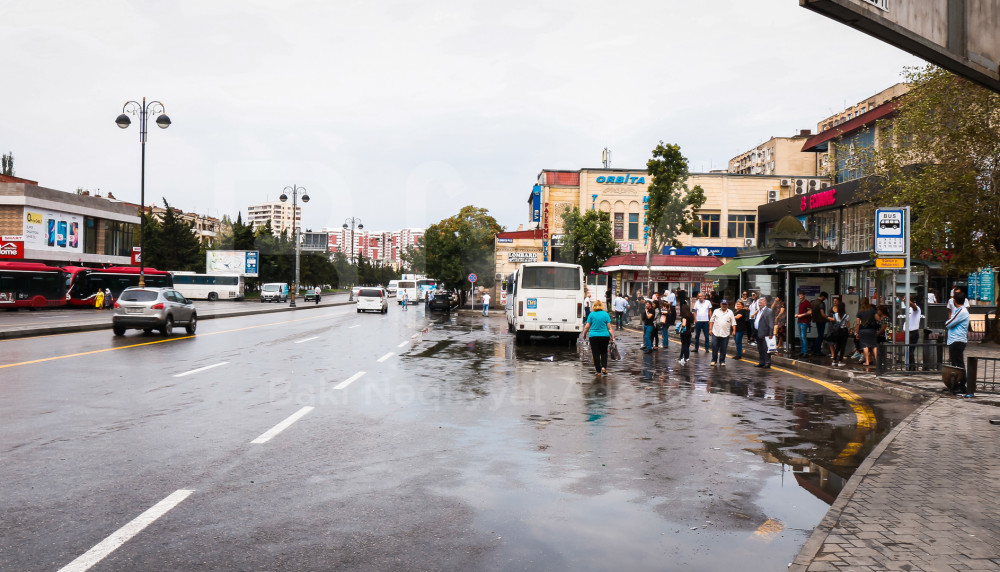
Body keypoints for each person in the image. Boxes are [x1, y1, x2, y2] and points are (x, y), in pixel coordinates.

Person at [944, 291, 970, 394]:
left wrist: (947, 322)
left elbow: (949, 323)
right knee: (955, 365)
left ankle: (962, 386)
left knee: (959, 364)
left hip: (957, 340)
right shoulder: (959, 310)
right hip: (955, 340)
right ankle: (954, 385)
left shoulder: (961, 311)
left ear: (954, 300)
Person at [583, 300, 614, 376]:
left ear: (594, 306)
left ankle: (598, 371)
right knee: (604, 352)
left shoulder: (591, 314)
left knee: (596, 354)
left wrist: (584, 334)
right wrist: (613, 336)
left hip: (593, 336)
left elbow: (587, 326)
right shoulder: (606, 314)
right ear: (601, 306)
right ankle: (604, 367)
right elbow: (609, 328)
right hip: (605, 336)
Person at [709, 299, 736, 366]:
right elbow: (711, 321)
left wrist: (734, 330)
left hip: (725, 333)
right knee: (714, 346)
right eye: (723, 304)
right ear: (720, 304)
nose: (724, 305)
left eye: (725, 304)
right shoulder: (716, 311)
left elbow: (733, 322)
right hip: (716, 332)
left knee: (723, 348)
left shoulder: (730, 312)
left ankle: (722, 361)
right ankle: (714, 360)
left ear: (727, 305)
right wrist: (710, 329)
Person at [855, 297, 879, 366]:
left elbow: (858, 323)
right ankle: (877, 362)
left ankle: (867, 362)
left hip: (863, 330)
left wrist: (857, 332)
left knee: (865, 346)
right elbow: (877, 318)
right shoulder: (872, 310)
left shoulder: (860, 311)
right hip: (872, 330)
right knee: (874, 346)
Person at [827, 300, 851, 366]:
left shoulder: (835, 315)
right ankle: (840, 361)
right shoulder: (846, 316)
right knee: (843, 346)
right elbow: (848, 325)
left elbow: (835, 322)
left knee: (837, 346)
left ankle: (834, 360)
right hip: (844, 331)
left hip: (837, 331)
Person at [754, 296, 774, 368]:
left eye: (761, 302)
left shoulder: (769, 311)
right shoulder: (759, 310)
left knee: (766, 349)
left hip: (765, 333)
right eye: (759, 302)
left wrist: (770, 333)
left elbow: (771, 323)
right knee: (760, 348)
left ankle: (767, 363)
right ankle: (761, 362)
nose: (759, 304)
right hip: (758, 332)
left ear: (765, 303)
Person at [811, 292, 829, 356]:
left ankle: (815, 350)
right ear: (823, 297)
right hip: (821, 321)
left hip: (816, 320)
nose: (825, 299)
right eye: (825, 298)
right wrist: (828, 317)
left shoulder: (813, 302)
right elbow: (822, 314)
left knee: (819, 335)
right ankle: (817, 351)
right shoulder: (821, 303)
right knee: (820, 336)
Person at [793, 291, 811, 357]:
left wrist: (801, 315)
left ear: (804, 295)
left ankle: (805, 352)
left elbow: (810, 312)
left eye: (801, 295)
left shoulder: (807, 302)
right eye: (799, 295)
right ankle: (802, 351)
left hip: (804, 322)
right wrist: (798, 315)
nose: (800, 296)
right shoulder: (800, 302)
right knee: (801, 337)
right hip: (800, 321)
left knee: (803, 337)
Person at [906, 297, 921, 368]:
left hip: (913, 332)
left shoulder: (916, 308)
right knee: (908, 351)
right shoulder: (908, 309)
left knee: (910, 351)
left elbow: (915, 308)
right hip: (908, 332)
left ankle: (912, 367)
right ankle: (910, 366)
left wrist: (908, 301)